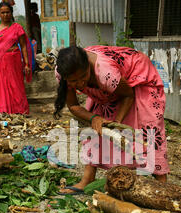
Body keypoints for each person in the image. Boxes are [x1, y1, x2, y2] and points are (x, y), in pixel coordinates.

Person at [54, 46, 169, 195]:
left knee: (147, 130)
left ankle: (162, 183)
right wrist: (94, 118)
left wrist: (118, 122)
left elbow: (128, 94)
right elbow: (74, 105)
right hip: (113, 86)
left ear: (88, 66)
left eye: (83, 77)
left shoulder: (105, 72)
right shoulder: (62, 72)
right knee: (97, 128)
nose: (81, 84)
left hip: (138, 79)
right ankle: (87, 180)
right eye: (74, 81)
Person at [0, 1, 33, 115]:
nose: (5, 15)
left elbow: (24, 47)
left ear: (11, 13)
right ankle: (4, 111)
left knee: (16, 85)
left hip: (14, 60)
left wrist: (27, 64)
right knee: (1, 86)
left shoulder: (17, 28)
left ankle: (20, 111)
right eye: (2, 12)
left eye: (7, 12)